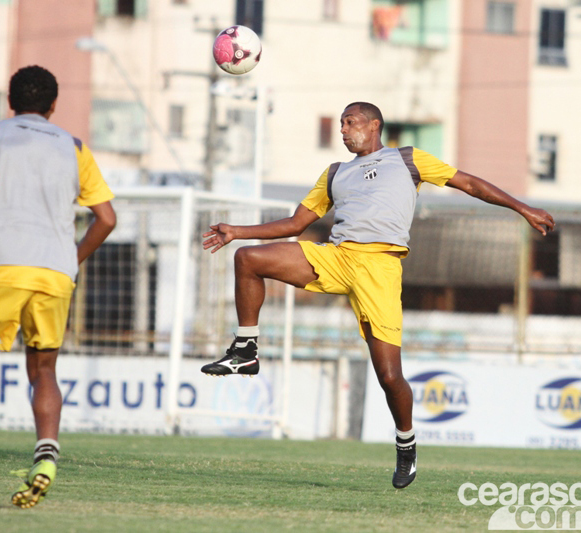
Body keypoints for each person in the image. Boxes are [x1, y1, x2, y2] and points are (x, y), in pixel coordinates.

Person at [201, 102, 554, 489]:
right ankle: (246, 351)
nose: (342, 129)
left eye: (349, 122)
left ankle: (406, 444)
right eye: (340, 123)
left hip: (380, 269)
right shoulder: (334, 173)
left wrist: (522, 208)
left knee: (389, 376)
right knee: (248, 258)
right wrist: (237, 231)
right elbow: (296, 223)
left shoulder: (407, 159)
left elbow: (469, 183)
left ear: (374, 125)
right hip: (337, 257)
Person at [0, 65, 116, 508]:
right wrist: (71, 260)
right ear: (53, 105)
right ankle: (46, 457)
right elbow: (107, 218)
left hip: (1, 263)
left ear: (10, 101)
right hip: (54, 272)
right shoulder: (74, 147)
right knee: (43, 370)